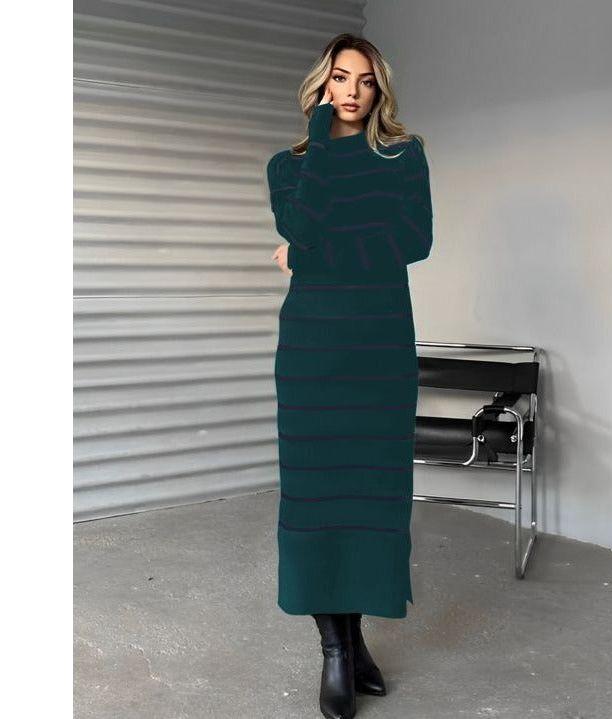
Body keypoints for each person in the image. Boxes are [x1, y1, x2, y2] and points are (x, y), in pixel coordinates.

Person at [266, 32, 434, 719]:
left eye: (365, 80)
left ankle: (355, 638)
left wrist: (310, 254)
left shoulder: (403, 155)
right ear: (322, 83)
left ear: (379, 88)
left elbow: (414, 240)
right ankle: (335, 650)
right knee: (317, 500)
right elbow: (301, 227)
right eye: (341, 77)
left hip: (380, 348)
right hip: (312, 350)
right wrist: (318, 144)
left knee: (369, 499)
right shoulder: (288, 164)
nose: (353, 91)